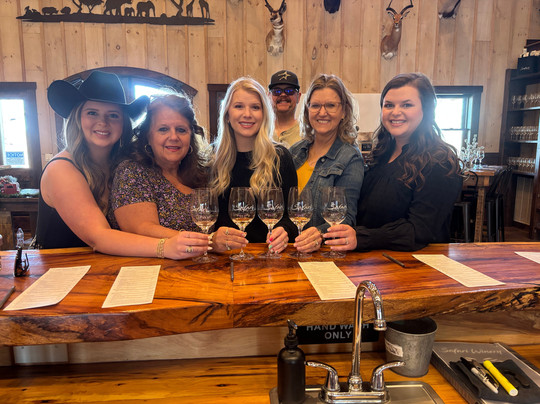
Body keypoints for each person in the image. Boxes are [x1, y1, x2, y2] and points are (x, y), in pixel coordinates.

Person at [34, 70, 209, 259]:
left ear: (124, 123)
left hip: (100, 268)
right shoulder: (61, 169)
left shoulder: (119, 163)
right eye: (92, 113)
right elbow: (99, 237)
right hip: (59, 269)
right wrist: (166, 247)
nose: (103, 122)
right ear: (77, 118)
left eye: (113, 115)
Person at [325, 72, 463, 252]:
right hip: (374, 260)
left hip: (416, 263)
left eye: (407, 105)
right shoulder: (382, 154)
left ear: (427, 109)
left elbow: (420, 230)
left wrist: (362, 237)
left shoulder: (440, 162)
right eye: (389, 105)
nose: (395, 112)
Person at [210, 76, 298, 254]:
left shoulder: (281, 157)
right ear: (227, 114)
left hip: (269, 256)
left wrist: (285, 231)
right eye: (239, 106)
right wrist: (212, 238)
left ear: (264, 115)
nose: (247, 114)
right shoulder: (211, 158)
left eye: (255, 107)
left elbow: (293, 215)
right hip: (223, 259)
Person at [110, 92, 208, 237]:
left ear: (190, 136)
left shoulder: (200, 175)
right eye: (163, 129)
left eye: (181, 130)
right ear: (148, 136)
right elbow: (143, 230)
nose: (173, 137)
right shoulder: (132, 172)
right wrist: (209, 241)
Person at [289, 73, 364, 254]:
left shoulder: (350, 158)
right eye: (315, 105)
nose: (322, 113)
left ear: (344, 111)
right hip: (287, 249)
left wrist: (319, 234)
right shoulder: (294, 151)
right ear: (307, 110)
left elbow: (346, 218)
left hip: (321, 255)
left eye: (330, 105)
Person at [268, 69, 302, 148]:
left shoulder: (307, 134)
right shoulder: (260, 130)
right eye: (277, 91)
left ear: (298, 97)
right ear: (269, 96)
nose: (283, 95)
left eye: (289, 91)